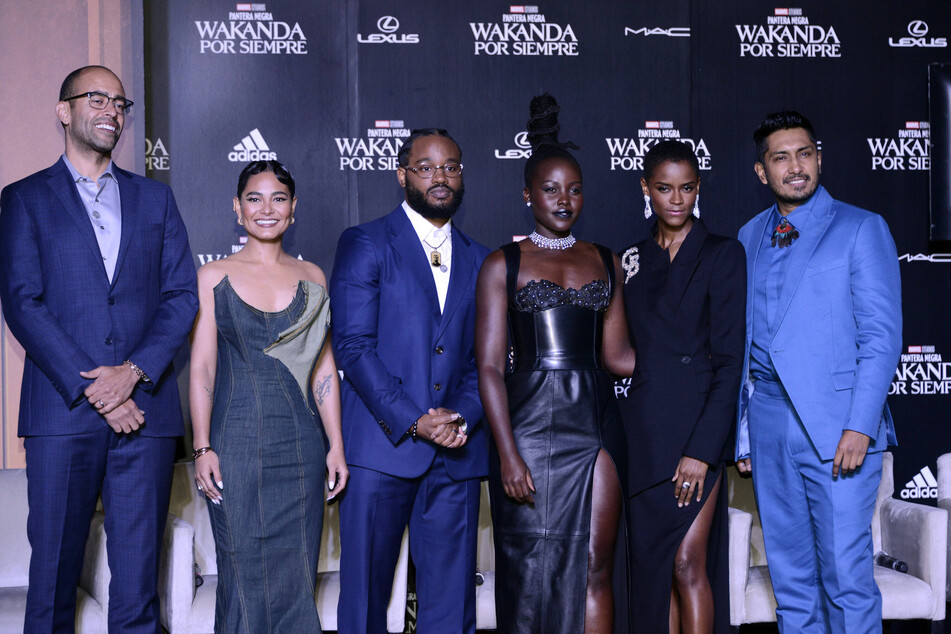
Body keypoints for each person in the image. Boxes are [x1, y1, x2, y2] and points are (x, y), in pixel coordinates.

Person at [0, 65, 198, 631]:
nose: (111, 110)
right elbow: (23, 303)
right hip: (63, 417)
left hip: (147, 415)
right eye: (96, 98)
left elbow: (182, 295)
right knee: (54, 584)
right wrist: (101, 391)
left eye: (120, 101)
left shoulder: (155, 200)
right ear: (64, 111)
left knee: (138, 592)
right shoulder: (23, 199)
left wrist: (132, 373)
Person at [735, 111, 901, 633]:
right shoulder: (747, 235)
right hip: (767, 425)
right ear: (763, 172)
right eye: (781, 157)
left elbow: (881, 337)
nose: (796, 166)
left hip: (839, 428)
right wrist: (744, 430)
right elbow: (743, 342)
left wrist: (860, 425)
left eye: (804, 153)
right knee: (790, 580)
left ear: (819, 158)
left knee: (846, 578)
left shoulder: (861, 226)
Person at [476, 94, 636, 633]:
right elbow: (491, 368)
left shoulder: (606, 260)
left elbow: (618, 358)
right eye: (550, 189)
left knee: (596, 566)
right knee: (530, 573)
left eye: (574, 189)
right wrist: (507, 455)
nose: (564, 200)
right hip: (529, 428)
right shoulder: (505, 262)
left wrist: (695, 354)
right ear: (528, 195)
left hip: (595, 425)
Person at [331, 128, 489, 633]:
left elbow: (486, 359)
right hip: (382, 448)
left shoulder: (482, 258)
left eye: (451, 167)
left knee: (450, 608)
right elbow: (353, 347)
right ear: (402, 175)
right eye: (426, 167)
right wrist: (416, 420)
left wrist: (459, 415)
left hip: (456, 454)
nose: (440, 177)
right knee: (364, 606)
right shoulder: (366, 242)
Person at [189, 160, 348, 632]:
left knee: (297, 578)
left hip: (301, 448)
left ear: (293, 209)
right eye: (254, 199)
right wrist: (202, 447)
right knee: (241, 577)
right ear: (237, 210)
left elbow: (323, 367)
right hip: (235, 446)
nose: (266, 209)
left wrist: (336, 443)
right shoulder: (212, 276)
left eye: (278, 199)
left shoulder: (314, 277)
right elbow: (201, 367)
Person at [617, 140, 745, 633]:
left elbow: (730, 362)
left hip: (697, 428)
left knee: (687, 562)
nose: (676, 199)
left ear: (698, 188)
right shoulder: (630, 259)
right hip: (644, 431)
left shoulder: (723, 253)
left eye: (687, 188)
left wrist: (701, 450)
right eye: (664, 188)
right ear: (645, 188)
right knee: (653, 570)